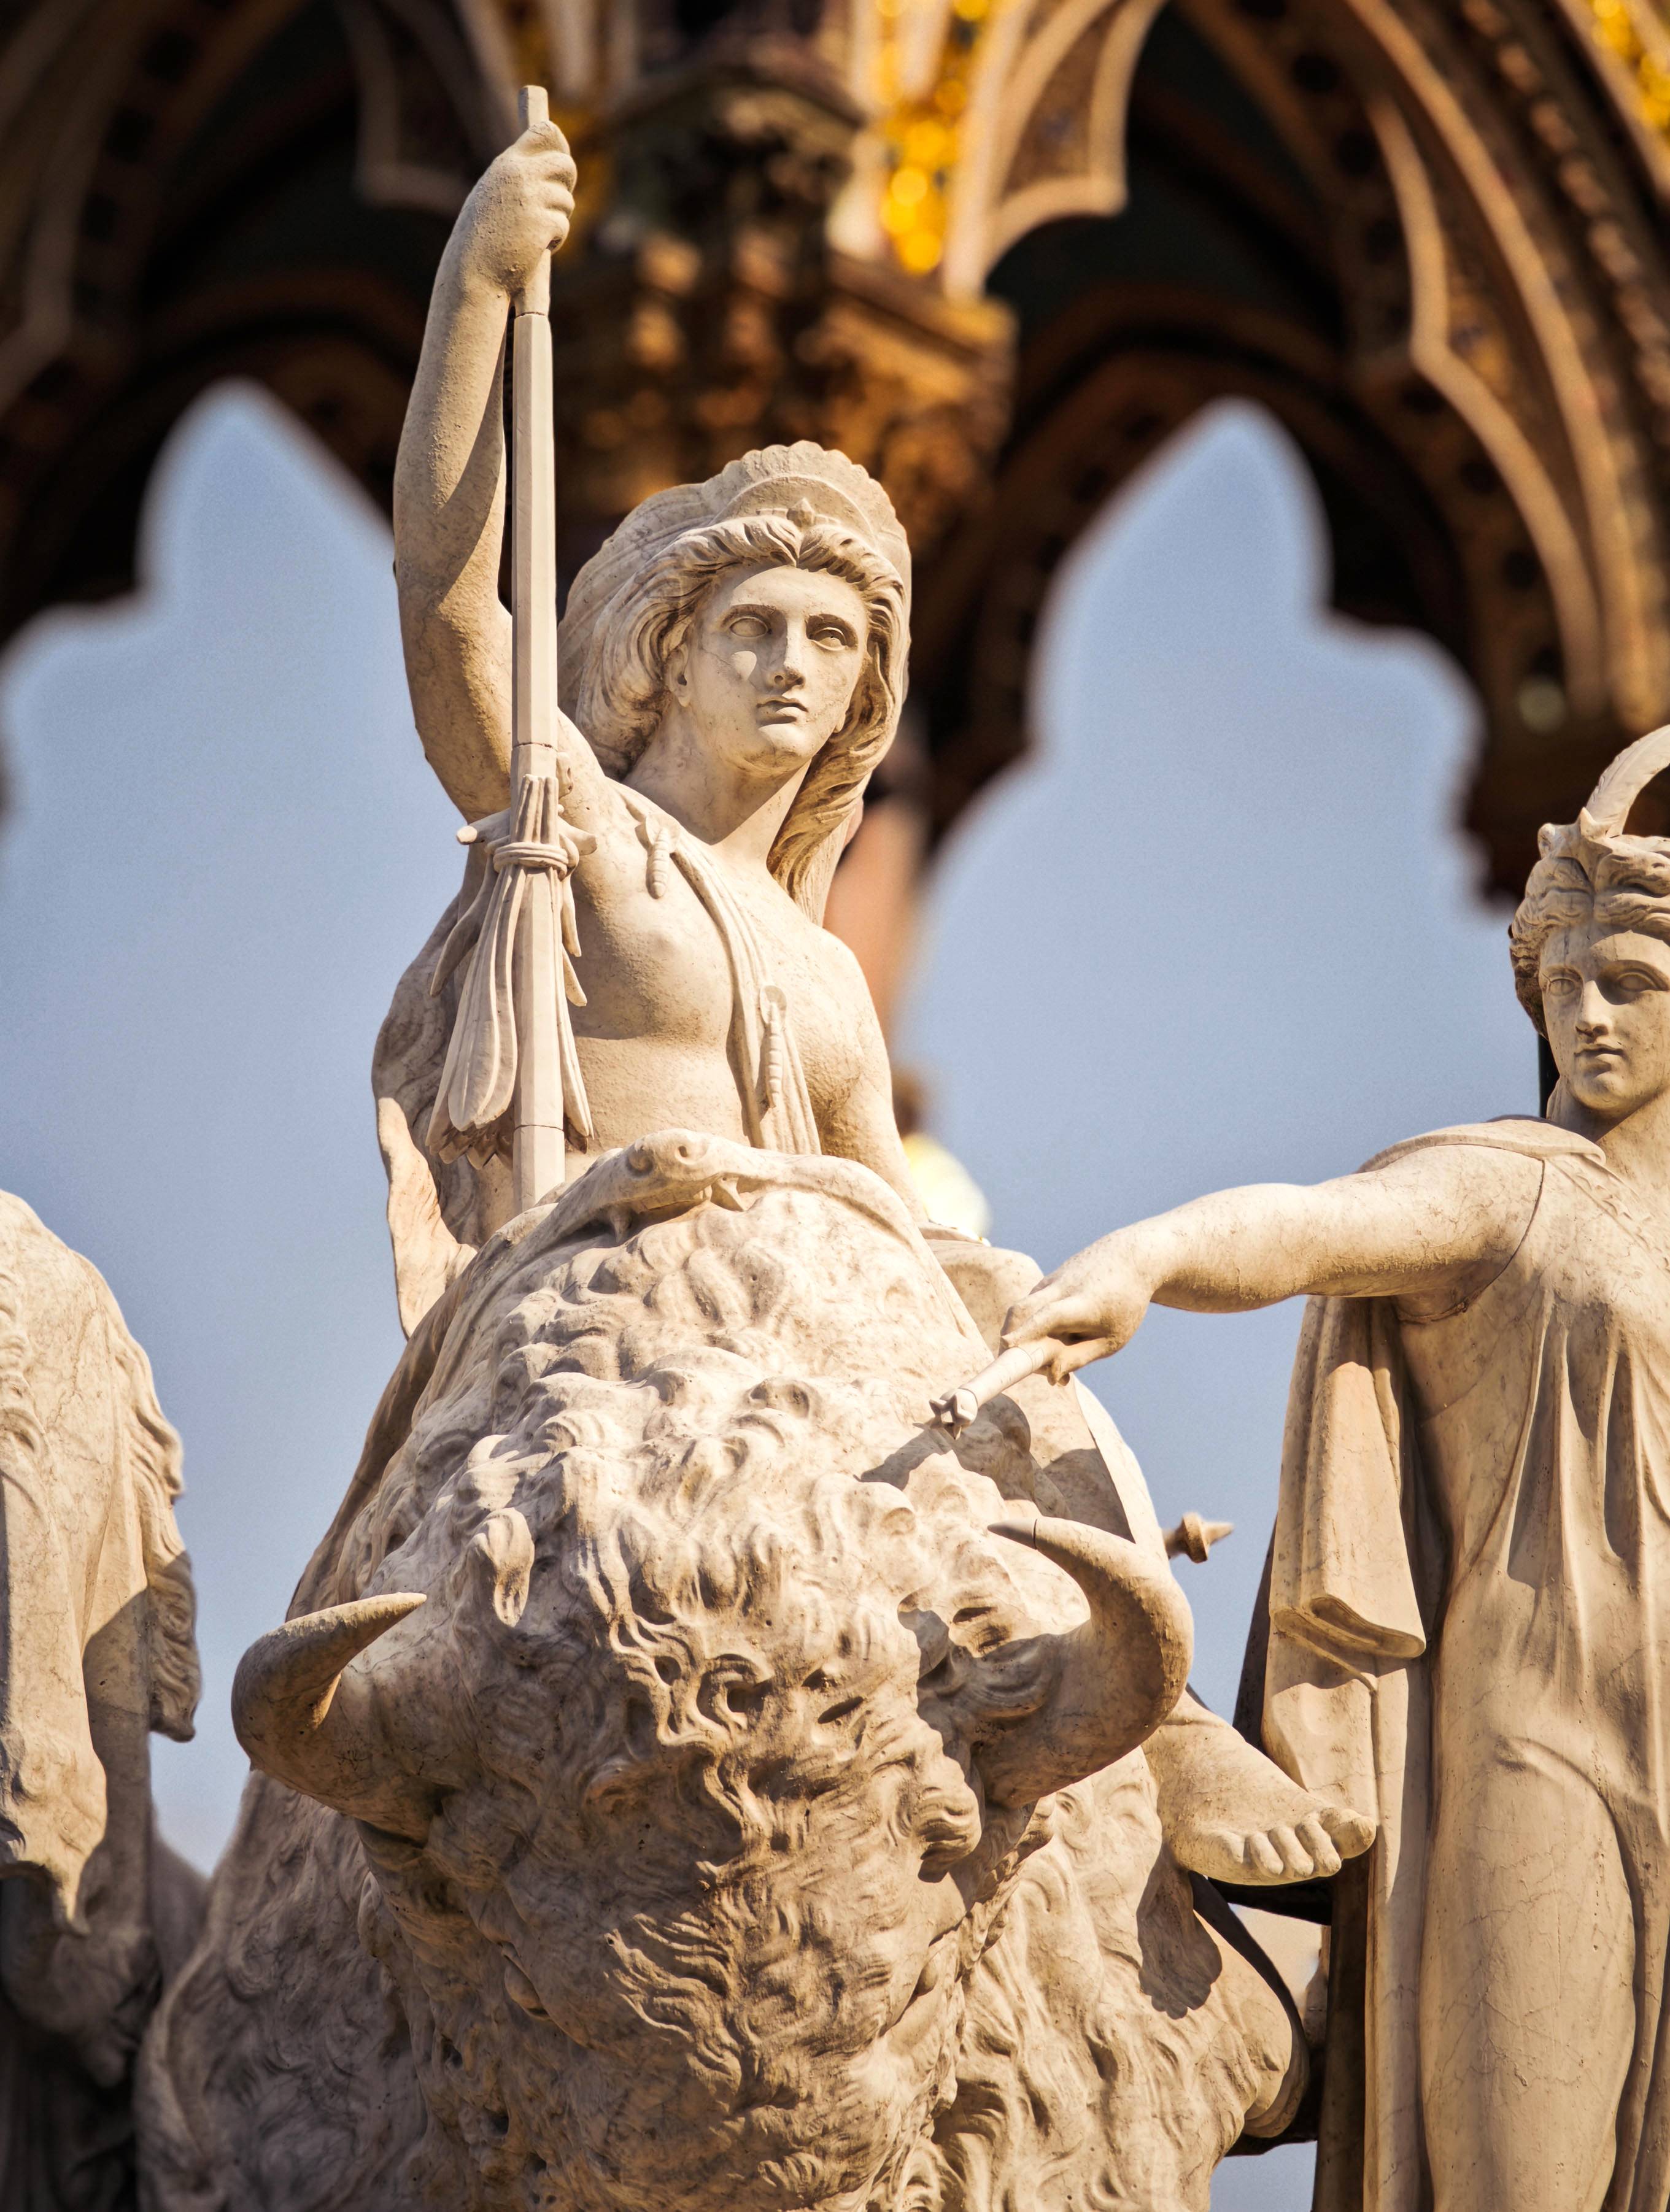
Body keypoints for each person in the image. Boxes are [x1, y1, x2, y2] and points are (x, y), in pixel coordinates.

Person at [987, 725, 1670, 2212]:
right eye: (1560, 986)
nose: (1584, 1017)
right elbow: (1312, 1227)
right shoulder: (1515, 1188)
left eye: (1627, 984)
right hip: (1536, 1742)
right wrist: (1151, 1255)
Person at [377, 113, 920, 1327]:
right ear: (671, 661)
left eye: (830, 639)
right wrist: (475, 291)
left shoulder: (827, 975)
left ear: (858, 697)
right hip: (591, 1349)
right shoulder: (591, 835)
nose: (789, 665)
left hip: (782, 1366)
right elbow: (448, 612)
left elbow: (906, 1248)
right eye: (752, 627)